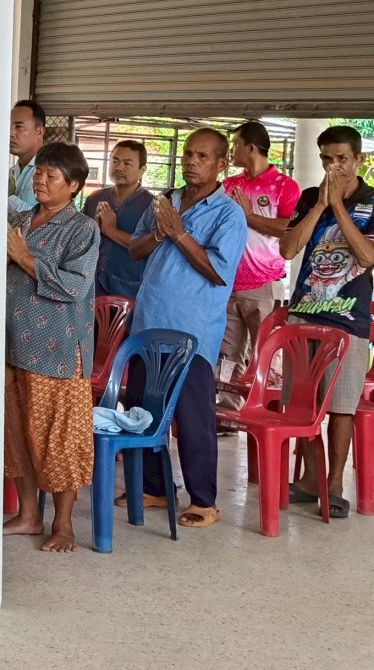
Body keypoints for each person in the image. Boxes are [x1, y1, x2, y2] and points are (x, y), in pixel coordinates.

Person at [126, 129, 247, 528]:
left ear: (221, 164)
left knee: (193, 418)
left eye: (203, 156)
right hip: (149, 321)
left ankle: (204, 500)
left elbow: (218, 271)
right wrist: (160, 232)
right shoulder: (166, 201)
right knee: (143, 410)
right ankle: (157, 489)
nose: (192, 161)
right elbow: (135, 248)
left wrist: (178, 233)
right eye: (188, 154)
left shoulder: (228, 214)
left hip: (192, 331)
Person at [280, 125, 374, 519]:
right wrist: (319, 206)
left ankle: (334, 486)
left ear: (358, 159)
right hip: (303, 315)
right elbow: (287, 249)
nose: (334, 167)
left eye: (342, 159)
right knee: (303, 403)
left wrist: (339, 207)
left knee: (342, 407)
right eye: (327, 159)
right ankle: (310, 480)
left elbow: (366, 257)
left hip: (348, 320)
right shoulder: (310, 197)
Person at [1, 143, 99, 552]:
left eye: (51, 175)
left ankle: (63, 524)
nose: (40, 180)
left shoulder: (82, 229)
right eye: (39, 172)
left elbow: (74, 286)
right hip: (11, 342)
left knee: (58, 438)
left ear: (73, 185)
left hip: (56, 349)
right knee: (17, 432)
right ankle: (28, 515)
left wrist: (24, 257)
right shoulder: (21, 219)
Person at [217, 122, 301, 408]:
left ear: (250, 148)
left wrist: (249, 216)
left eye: (235, 145)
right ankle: (227, 409)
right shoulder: (230, 185)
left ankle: (269, 410)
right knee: (228, 353)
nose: (231, 151)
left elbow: (289, 228)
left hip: (265, 284)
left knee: (267, 352)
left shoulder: (284, 186)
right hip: (229, 283)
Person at [82, 140, 151, 299]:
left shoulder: (151, 205)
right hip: (90, 284)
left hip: (127, 287)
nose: (119, 167)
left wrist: (111, 231)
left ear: (142, 170)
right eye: (115, 161)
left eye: (127, 163)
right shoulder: (95, 198)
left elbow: (149, 248)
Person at [9, 100, 45, 213]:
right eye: (9, 126)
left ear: (39, 132)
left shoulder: (51, 173)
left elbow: (46, 218)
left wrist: (8, 198)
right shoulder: (11, 173)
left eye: (19, 126)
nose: (11, 133)